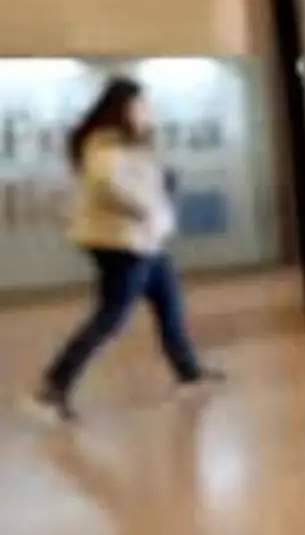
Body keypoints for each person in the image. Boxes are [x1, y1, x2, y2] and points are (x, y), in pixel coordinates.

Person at [25, 77, 223, 423]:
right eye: (141, 105)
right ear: (124, 109)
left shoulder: (125, 143)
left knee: (169, 305)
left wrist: (160, 186)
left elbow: (138, 181)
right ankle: (52, 389)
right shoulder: (104, 145)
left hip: (145, 240)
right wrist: (149, 205)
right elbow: (110, 186)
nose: (148, 111)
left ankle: (189, 374)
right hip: (123, 243)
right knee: (111, 317)